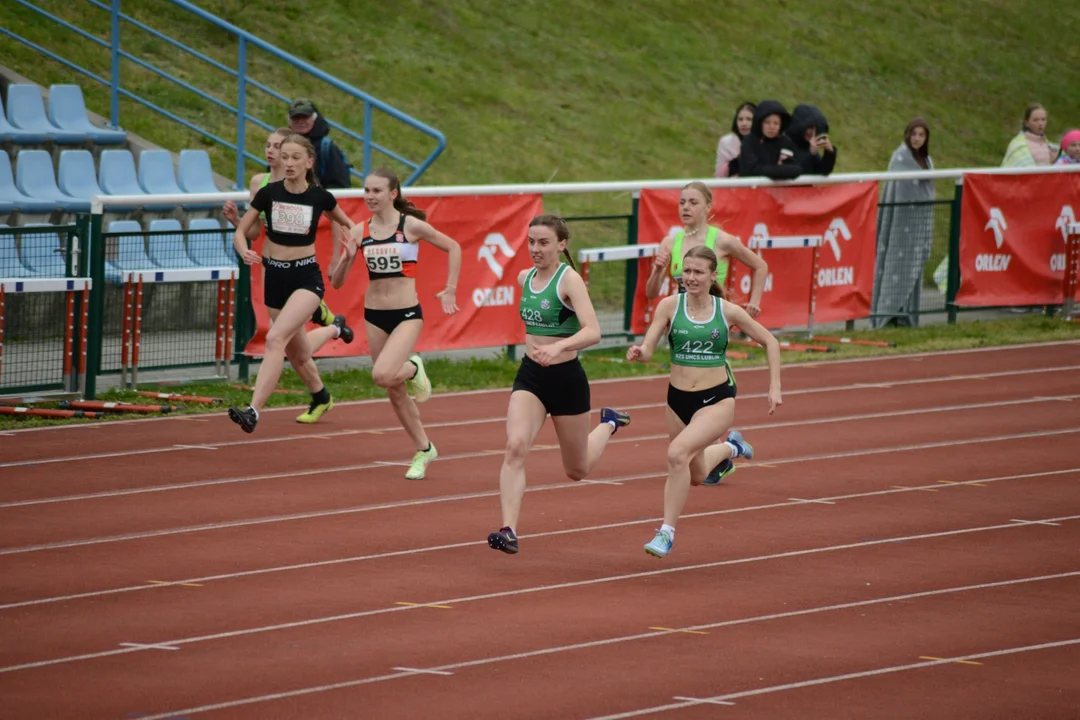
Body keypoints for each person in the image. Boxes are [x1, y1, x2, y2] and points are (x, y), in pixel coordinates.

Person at [487, 215, 631, 554]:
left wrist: (559, 346)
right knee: (515, 446)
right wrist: (541, 350)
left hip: (567, 380)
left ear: (561, 244)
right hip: (531, 377)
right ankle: (509, 529)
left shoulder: (570, 281)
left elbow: (593, 331)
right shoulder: (526, 278)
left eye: (543, 243)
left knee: (577, 470)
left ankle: (609, 423)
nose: (535, 249)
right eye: (532, 242)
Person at [628, 245, 781, 559]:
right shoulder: (670, 306)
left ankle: (666, 533)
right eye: (687, 271)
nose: (691, 278)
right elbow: (649, 347)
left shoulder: (727, 311)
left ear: (713, 275)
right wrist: (640, 353)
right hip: (677, 401)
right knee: (695, 474)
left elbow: (770, 341)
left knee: (676, 454)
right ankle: (732, 448)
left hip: (715, 400)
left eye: (698, 272)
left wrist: (774, 387)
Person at [330, 167, 461, 480]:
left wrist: (451, 288)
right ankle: (424, 448)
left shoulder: (411, 226)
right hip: (374, 315)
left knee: (382, 375)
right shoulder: (360, 231)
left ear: (393, 194)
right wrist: (347, 258)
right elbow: (335, 283)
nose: (370, 197)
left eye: (377, 191)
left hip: (406, 314)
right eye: (366, 191)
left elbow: (454, 247)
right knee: (394, 390)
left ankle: (414, 367)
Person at [226, 134, 361, 433]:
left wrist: (348, 252)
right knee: (296, 353)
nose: (288, 163)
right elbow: (243, 232)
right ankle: (336, 327)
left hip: (305, 278)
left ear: (308, 162)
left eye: (295, 157)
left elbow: (349, 224)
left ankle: (253, 411)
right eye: (284, 157)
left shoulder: (319, 197)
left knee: (275, 339)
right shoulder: (269, 193)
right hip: (274, 278)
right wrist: (243, 249)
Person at [644, 181, 769, 485]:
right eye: (681, 202)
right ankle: (729, 449)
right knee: (693, 470)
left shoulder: (722, 240)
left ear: (708, 207)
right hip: (683, 336)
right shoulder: (669, 241)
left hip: (714, 333)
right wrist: (659, 270)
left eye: (692, 202)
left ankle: (717, 438)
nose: (685, 208)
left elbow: (760, 266)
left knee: (717, 392)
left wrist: (754, 302)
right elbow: (650, 293)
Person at [872, 118, 936, 328]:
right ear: (907, 135)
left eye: (921, 135)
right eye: (913, 134)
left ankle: (907, 316)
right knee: (895, 267)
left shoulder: (928, 161)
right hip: (899, 227)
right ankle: (887, 316)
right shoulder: (899, 158)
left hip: (919, 226)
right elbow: (894, 192)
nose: (917, 139)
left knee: (914, 270)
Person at [738, 100, 803, 180]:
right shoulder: (749, 141)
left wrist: (770, 170)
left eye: (776, 123)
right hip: (751, 189)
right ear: (760, 122)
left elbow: (796, 169)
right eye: (767, 122)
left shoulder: (785, 142)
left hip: (778, 191)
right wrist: (780, 169)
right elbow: (752, 169)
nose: (771, 127)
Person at [787, 104, 837, 176]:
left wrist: (829, 153)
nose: (813, 132)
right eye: (810, 127)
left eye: (816, 128)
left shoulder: (808, 145)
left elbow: (822, 172)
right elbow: (797, 172)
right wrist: (811, 155)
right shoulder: (785, 143)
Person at [715, 102, 755, 178]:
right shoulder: (726, 142)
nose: (744, 123)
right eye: (740, 119)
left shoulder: (763, 141)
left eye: (749, 119)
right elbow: (719, 176)